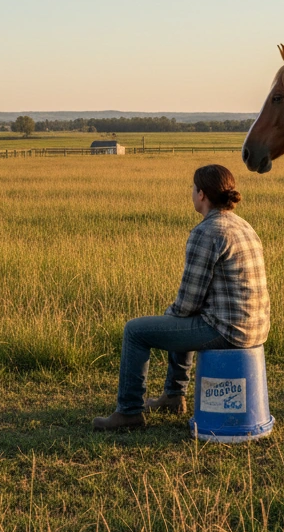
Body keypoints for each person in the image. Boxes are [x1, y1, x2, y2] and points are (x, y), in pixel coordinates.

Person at [93, 164, 270, 431]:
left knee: (135, 331)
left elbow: (187, 303)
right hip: (255, 327)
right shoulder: (243, 225)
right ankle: (174, 397)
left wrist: (170, 314)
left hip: (227, 330)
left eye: (193, 188)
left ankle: (129, 412)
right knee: (182, 319)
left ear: (201, 194)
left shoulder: (207, 232)